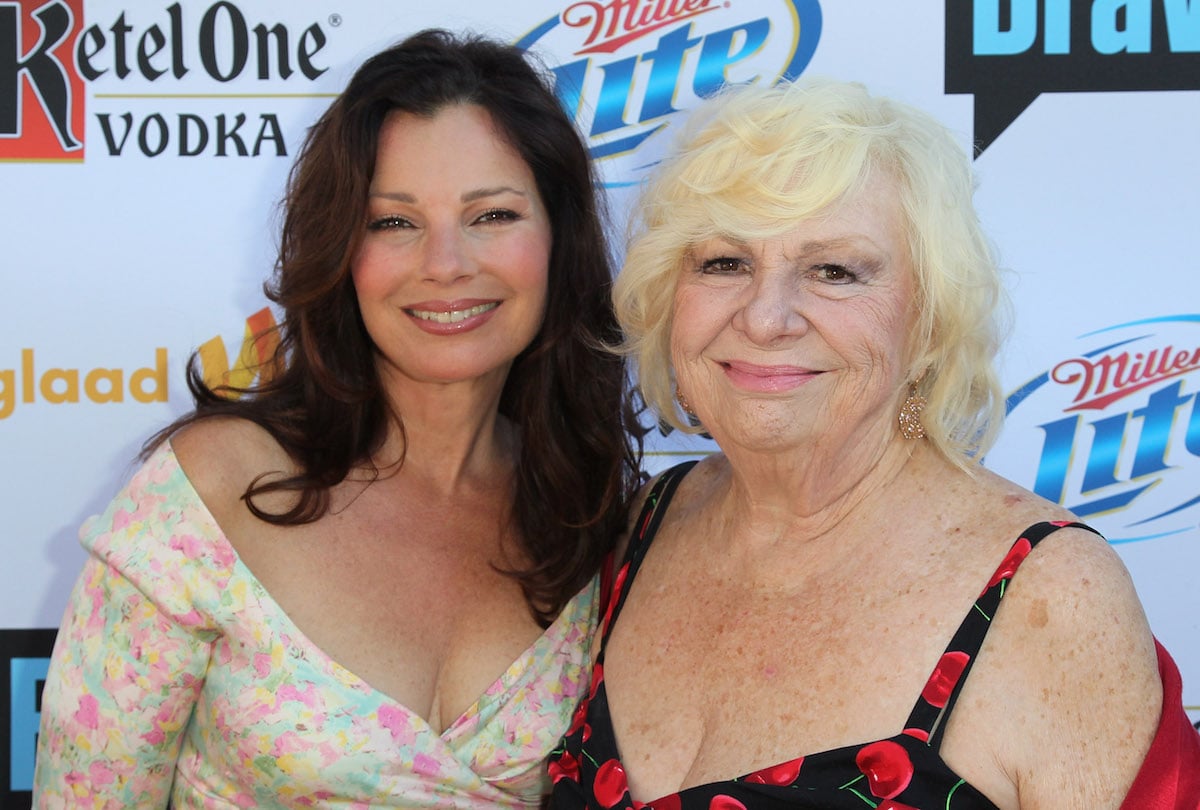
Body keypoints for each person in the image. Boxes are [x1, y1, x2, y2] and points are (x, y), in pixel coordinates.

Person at [547, 78, 1200, 809]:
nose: (766, 319)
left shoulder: (1052, 599)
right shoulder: (645, 524)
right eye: (724, 262)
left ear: (927, 327)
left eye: (834, 271)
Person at [34, 28, 642, 808]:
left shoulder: (597, 523)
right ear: (340, 250)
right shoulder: (209, 493)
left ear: (559, 239)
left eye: (492, 215)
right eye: (394, 222)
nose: (446, 262)